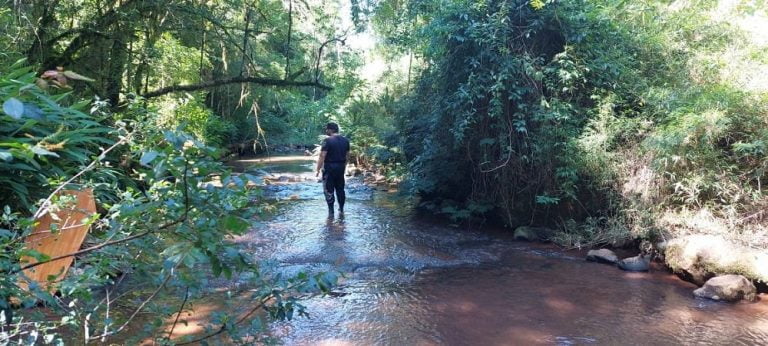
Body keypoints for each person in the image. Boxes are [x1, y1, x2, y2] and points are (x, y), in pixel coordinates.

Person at [315, 122, 350, 216]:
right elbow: (347, 156)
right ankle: (341, 209)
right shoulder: (346, 140)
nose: (326, 131)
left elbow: (322, 155)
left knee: (328, 189)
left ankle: (331, 212)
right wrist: (344, 166)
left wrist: (317, 169)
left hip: (329, 167)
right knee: (340, 188)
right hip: (341, 167)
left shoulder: (327, 141)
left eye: (327, 129)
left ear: (331, 130)